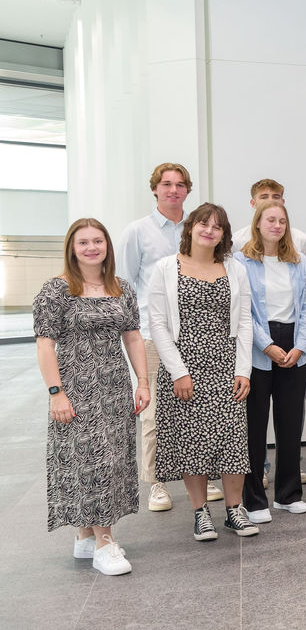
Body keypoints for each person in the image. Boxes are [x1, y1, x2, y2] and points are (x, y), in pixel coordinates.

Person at [35, 218, 149, 575]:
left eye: (97, 241)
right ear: (72, 248)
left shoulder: (121, 287)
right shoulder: (56, 290)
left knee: (112, 459)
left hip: (114, 389)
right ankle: (105, 543)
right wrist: (56, 393)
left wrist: (143, 382)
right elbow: (45, 345)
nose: (91, 248)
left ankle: (86, 537)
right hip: (75, 390)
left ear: (107, 246)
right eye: (83, 242)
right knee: (91, 461)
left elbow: (133, 336)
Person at [148, 203, 258, 540]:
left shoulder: (234, 269)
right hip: (184, 367)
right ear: (190, 227)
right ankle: (200, 513)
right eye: (203, 224)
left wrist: (244, 370)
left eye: (217, 226)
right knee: (191, 442)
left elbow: (244, 321)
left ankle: (234, 511)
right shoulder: (166, 268)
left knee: (233, 440)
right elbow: (158, 324)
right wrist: (178, 372)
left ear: (224, 235)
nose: (209, 230)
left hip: (226, 366)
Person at [117, 162, 214, 511]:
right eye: (166, 184)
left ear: (188, 190)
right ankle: (156, 482)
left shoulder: (198, 228)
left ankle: (201, 475)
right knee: (154, 412)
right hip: (153, 335)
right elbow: (124, 284)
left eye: (180, 184)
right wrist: (132, 332)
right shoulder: (138, 231)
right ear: (155, 188)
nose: (173, 190)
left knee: (200, 408)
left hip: (197, 335)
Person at [234, 200, 306, 524]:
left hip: (294, 346)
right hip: (257, 348)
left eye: (282, 221)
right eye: (271, 220)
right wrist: (266, 345)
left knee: (290, 425)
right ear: (257, 223)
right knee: (254, 429)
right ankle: (254, 501)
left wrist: (300, 346)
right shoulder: (241, 261)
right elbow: (242, 310)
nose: (277, 226)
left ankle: (288, 495)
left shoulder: (300, 261)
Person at [230, 179, 306, 254]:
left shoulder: (300, 239)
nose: (270, 201)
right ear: (253, 203)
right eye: (264, 197)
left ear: (282, 202)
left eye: (276, 197)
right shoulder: (237, 240)